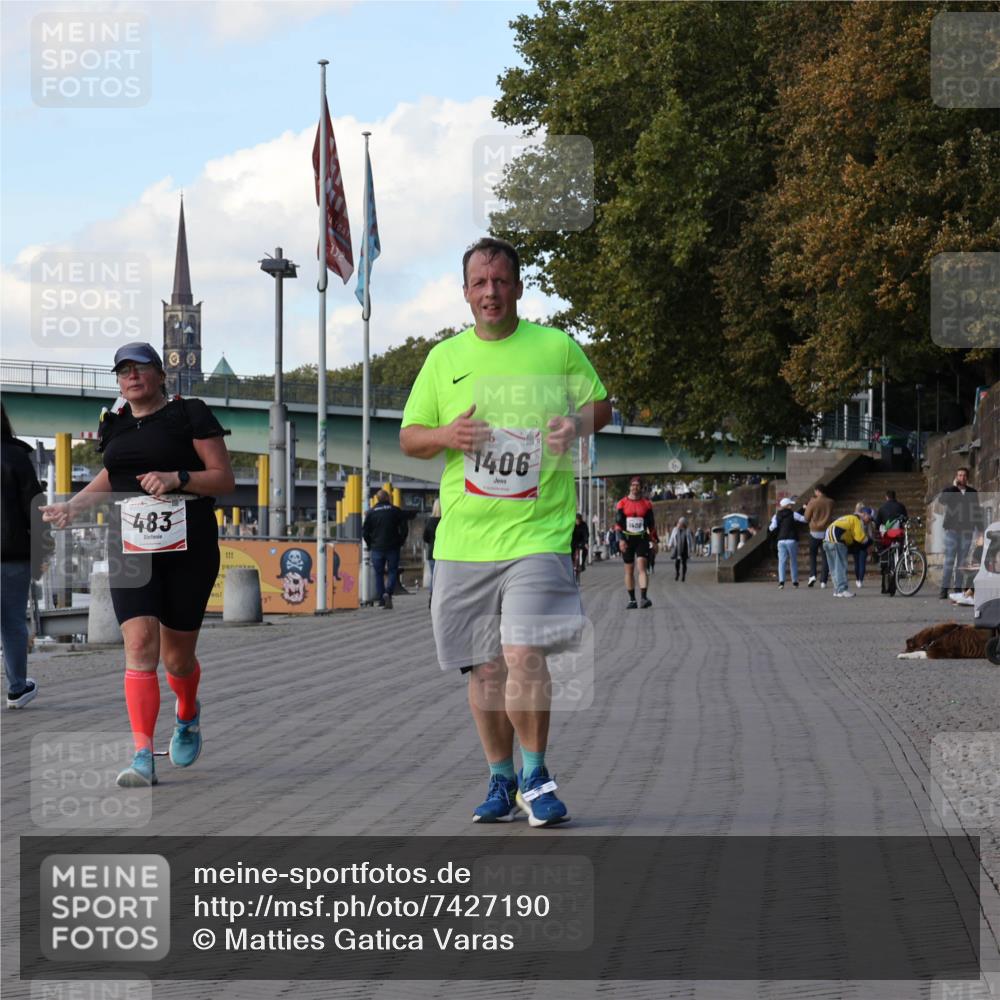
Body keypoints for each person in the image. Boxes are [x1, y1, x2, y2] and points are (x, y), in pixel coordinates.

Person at [399, 236, 611, 827]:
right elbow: (410, 436)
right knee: (485, 668)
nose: (490, 291)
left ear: (518, 286)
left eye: (500, 280)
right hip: (465, 540)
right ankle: (501, 777)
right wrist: (448, 437)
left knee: (523, 653)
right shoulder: (444, 360)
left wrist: (574, 423)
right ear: (465, 293)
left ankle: (537, 775)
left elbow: (602, 407)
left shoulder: (556, 347)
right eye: (479, 282)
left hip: (538, 533)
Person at [41, 343, 234, 787]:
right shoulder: (114, 425)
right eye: (123, 371)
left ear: (160, 375)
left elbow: (222, 478)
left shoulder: (191, 414)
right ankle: (142, 753)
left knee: (177, 658)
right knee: (139, 643)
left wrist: (178, 478)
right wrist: (74, 506)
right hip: (130, 546)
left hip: (189, 547)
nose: (131, 376)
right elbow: (113, 475)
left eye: (140, 368)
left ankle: (187, 714)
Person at [2, 406, 48, 708]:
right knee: (12, 623)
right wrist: (42, 553)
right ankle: (17, 689)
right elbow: (36, 508)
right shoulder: (15, 457)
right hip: (11, 556)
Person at [936, 467, 984, 599]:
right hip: (952, 532)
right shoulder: (951, 491)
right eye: (959, 475)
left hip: (967, 532)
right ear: (956, 477)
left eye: (963, 475)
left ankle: (957, 590)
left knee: (961, 563)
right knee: (949, 561)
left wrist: (980, 530)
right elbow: (942, 500)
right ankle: (944, 589)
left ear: (967, 478)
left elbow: (976, 511)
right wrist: (953, 487)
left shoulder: (972, 492)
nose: (961, 477)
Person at [615, 477, 658, 608]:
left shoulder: (647, 504)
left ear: (641, 488)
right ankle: (632, 599)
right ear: (630, 487)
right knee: (629, 570)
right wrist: (620, 539)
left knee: (642, 566)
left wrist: (654, 541)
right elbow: (618, 524)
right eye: (633, 485)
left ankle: (644, 598)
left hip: (641, 538)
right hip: (627, 538)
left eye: (637, 485)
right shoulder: (622, 503)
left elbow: (651, 525)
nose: (635, 488)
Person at [362, 489, 409, 609]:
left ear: (377, 499)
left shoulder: (371, 513)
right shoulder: (396, 511)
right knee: (392, 571)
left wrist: (369, 543)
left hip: (377, 547)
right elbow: (404, 527)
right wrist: (401, 540)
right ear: (388, 498)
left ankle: (382, 599)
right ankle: (388, 592)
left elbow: (365, 532)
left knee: (379, 573)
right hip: (393, 546)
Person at [823, 507, 874, 597]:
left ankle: (837, 590)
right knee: (841, 566)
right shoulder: (856, 519)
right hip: (836, 540)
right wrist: (870, 542)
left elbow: (851, 539)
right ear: (864, 514)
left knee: (834, 567)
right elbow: (860, 538)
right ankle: (842, 590)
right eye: (869, 519)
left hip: (827, 539)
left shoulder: (848, 518)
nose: (868, 522)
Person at [769, 497, 807, 589]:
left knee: (782, 561)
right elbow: (805, 519)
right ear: (788, 506)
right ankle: (795, 582)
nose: (791, 506)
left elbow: (771, 528)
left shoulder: (776, 516)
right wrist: (806, 509)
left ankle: (781, 582)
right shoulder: (793, 514)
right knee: (793, 560)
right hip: (791, 539)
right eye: (790, 504)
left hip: (781, 540)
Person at [803, 484, 834, 588]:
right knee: (825, 557)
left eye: (815, 491)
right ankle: (823, 581)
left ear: (817, 491)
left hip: (814, 532)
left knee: (813, 555)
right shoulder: (831, 502)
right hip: (826, 532)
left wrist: (806, 508)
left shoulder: (813, 502)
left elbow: (806, 518)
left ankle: (812, 575)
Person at [848, 500, 877, 589]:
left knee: (860, 562)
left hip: (862, 543)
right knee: (859, 562)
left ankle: (859, 579)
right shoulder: (857, 519)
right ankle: (859, 579)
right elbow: (870, 534)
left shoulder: (866, 521)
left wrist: (870, 544)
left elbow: (870, 534)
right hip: (858, 543)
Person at [422, 498, 442, 607]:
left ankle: (432, 596)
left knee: (434, 575)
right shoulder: (445, 520)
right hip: (444, 553)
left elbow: (425, 537)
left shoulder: (429, 521)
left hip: (432, 552)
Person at [667, 516, 695, 582]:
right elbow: (672, 537)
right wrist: (669, 545)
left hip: (685, 549)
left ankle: (683, 576)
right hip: (677, 549)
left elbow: (690, 540)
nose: (679, 524)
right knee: (677, 562)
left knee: (684, 563)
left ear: (683, 524)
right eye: (679, 522)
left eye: (680, 523)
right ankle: (677, 573)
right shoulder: (675, 529)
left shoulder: (687, 531)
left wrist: (692, 548)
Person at [571, 513, 589, 585]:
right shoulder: (572, 525)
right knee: (570, 551)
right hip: (573, 541)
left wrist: (586, 542)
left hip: (581, 541)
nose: (578, 522)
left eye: (579, 520)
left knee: (585, 549)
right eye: (576, 521)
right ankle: (571, 562)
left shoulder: (584, 525)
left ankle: (583, 564)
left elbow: (586, 534)